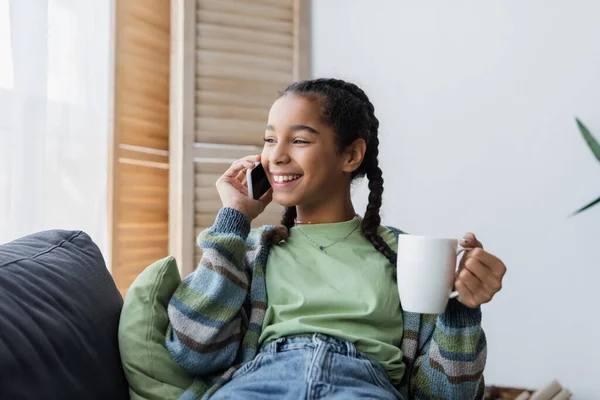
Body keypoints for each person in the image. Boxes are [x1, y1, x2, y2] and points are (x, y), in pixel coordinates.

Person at [165, 78, 507, 400]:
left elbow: (446, 395)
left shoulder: (409, 257)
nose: (277, 156)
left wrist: (461, 308)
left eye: (299, 140)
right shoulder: (250, 249)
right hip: (262, 381)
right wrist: (234, 219)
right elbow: (193, 350)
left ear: (351, 155)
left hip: (361, 385)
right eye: (270, 139)